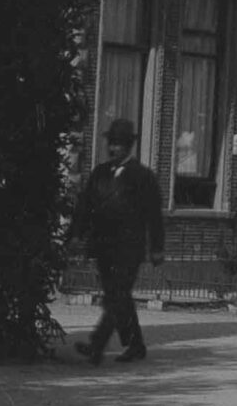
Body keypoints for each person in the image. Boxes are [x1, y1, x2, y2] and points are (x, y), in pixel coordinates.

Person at [70, 116, 165, 365]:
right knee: (118, 296)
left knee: (116, 296)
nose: (113, 148)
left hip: (128, 249)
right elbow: (85, 206)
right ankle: (136, 345)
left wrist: (157, 248)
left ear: (129, 147)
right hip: (103, 247)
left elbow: (154, 216)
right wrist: (75, 234)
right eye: (111, 143)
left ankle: (96, 345)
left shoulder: (142, 177)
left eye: (119, 144)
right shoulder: (100, 173)